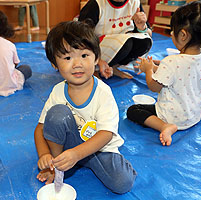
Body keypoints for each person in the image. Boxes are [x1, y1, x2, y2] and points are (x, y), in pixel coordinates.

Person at [34, 21, 137, 194]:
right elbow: (40, 129)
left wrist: (77, 155)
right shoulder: (58, 91)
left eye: (84, 56)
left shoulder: (103, 92)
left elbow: (105, 135)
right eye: (67, 58)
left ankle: (71, 162)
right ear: (54, 64)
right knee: (57, 113)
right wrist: (45, 155)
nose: (77, 64)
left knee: (122, 183)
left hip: (99, 150)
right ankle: (58, 166)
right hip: (68, 147)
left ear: (96, 58)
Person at [126, 1, 201, 146]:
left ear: (183, 35)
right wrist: (156, 67)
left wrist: (148, 69)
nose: (170, 34)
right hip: (193, 115)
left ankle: (165, 126)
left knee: (133, 110)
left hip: (174, 118)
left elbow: (154, 87)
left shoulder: (172, 61)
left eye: (172, 30)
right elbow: (179, 76)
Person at [78, 0, 152, 79]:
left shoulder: (135, 3)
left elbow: (149, 33)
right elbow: (80, 38)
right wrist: (97, 60)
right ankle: (93, 69)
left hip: (121, 45)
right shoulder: (95, 4)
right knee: (127, 43)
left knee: (144, 41)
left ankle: (113, 67)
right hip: (96, 48)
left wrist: (142, 27)